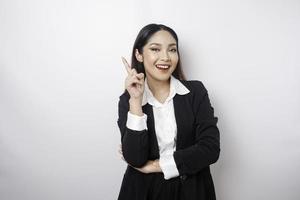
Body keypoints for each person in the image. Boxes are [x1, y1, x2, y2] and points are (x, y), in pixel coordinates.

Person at [117, 23, 220, 200]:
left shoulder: (195, 92)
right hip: (143, 192)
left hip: (192, 191)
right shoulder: (128, 100)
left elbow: (210, 149)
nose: (165, 57)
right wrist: (135, 101)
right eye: (155, 49)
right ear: (139, 55)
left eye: (172, 50)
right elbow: (135, 158)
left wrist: (156, 166)